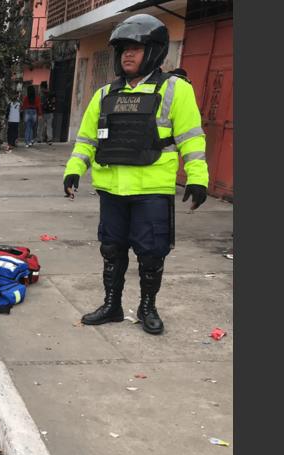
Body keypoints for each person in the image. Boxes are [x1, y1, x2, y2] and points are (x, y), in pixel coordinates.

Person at [63, 14, 209, 335]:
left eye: (136, 48)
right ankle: (112, 305)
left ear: (154, 51)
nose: (127, 54)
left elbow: (191, 138)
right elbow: (86, 139)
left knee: (151, 252)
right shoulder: (104, 95)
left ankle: (147, 308)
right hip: (111, 190)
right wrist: (74, 171)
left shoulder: (175, 90)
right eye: (123, 49)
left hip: (151, 189)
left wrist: (198, 177)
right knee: (111, 250)